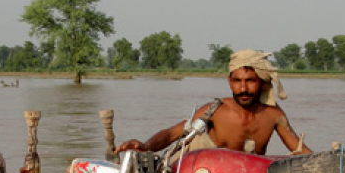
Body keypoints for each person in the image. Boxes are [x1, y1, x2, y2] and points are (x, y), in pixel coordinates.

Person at [114, 49, 312, 156]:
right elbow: (173, 133)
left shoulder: (273, 114)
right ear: (229, 82)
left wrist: (335, 165)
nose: (243, 89)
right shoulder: (215, 110)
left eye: (250, 81)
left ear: (262, 83)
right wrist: (146, 147)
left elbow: (299, 150)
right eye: (237, 81)